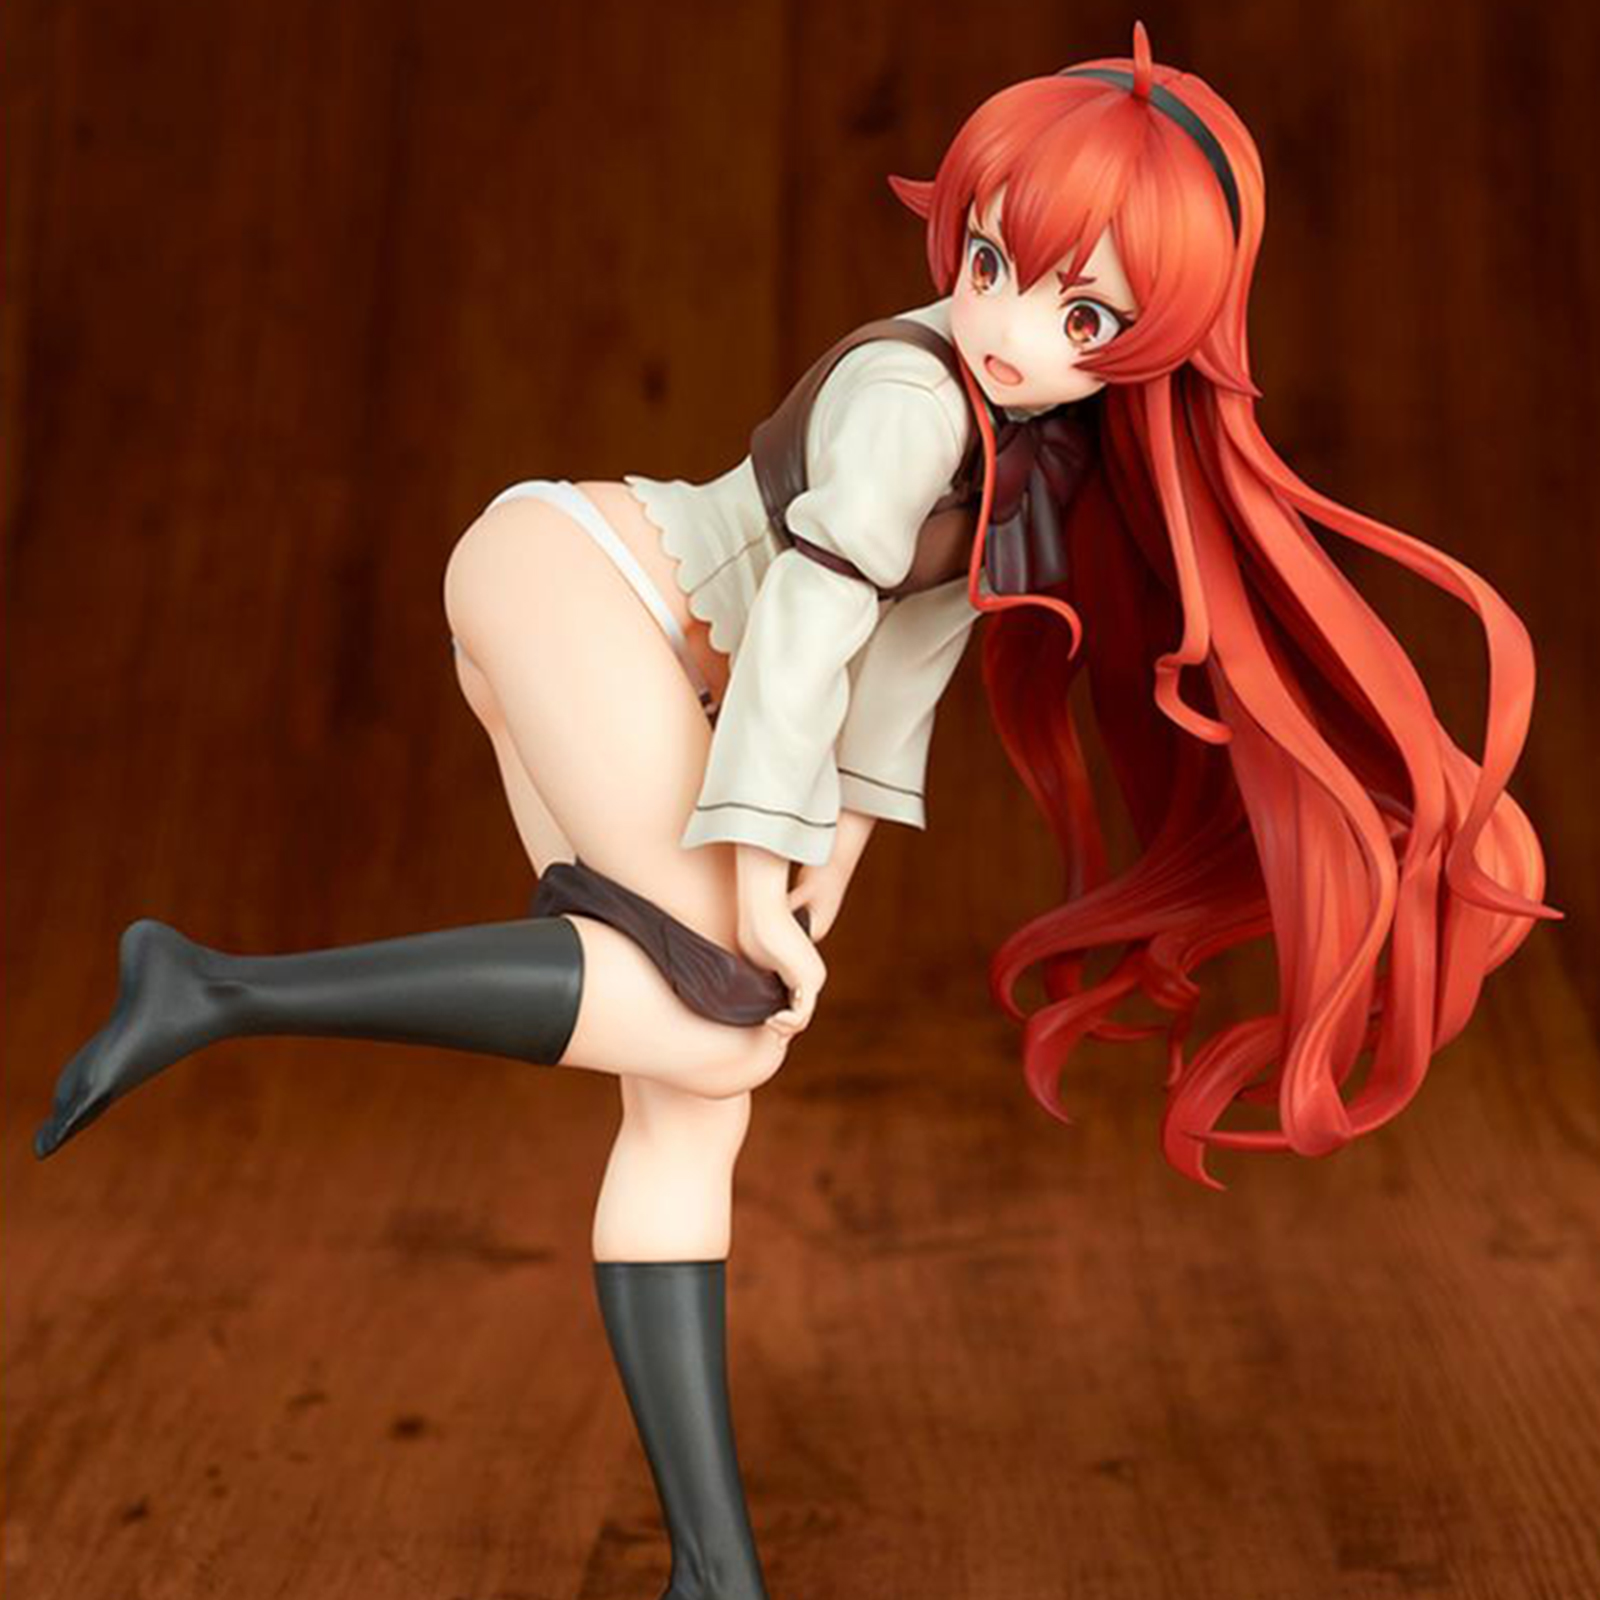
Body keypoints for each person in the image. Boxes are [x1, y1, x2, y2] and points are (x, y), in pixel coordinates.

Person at [31, 23, 1559, 1598]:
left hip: (643, 655)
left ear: (1155, 339)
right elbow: (814, 620)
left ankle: (714, 1576)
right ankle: (219, 989)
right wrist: (759, 865)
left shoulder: (1043, 440)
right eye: (992, 263)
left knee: (693, 1102)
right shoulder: (911, 397)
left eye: (1083, 313)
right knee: (725, 1021)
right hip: (580, 588)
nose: (1009, 328)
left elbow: (910, 649)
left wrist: (832, 844)